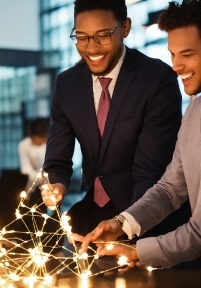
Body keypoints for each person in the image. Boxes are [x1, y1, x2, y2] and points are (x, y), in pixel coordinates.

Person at [40, 0, 190, 239]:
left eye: (103, 35)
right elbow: (57, 162)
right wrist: (56, 185)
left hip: (150, 219)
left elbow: (149, 171)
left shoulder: (156, 79)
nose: (92, 47)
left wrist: (127, 226)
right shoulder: (66, 85)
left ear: (126, 28)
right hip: (91, 217)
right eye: (82, 36)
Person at [79, 0, 201, 270]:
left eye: (188, 54)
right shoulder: (194, 111)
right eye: (173, 54)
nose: (176, 66)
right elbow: (171, 188)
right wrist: (122, 224)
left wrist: (138, 252)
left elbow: (199, 233)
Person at [18, 118, 49, 189]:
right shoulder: (24, 145)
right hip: (30, 186)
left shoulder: (49, 145)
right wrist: (41, 178)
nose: (40, 141)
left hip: (50, 185)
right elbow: (25, 169)